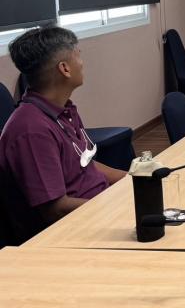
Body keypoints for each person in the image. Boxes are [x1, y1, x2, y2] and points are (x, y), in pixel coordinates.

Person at [0, 27, 126, 242]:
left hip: (96, 212)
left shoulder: (63, 110)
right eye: (78, 55)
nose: (82, 63)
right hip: (70, 234)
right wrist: (116, 209)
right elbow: (55, 209)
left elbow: (85, 164)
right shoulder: (31, 130)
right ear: (65, 69)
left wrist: (135, 179)